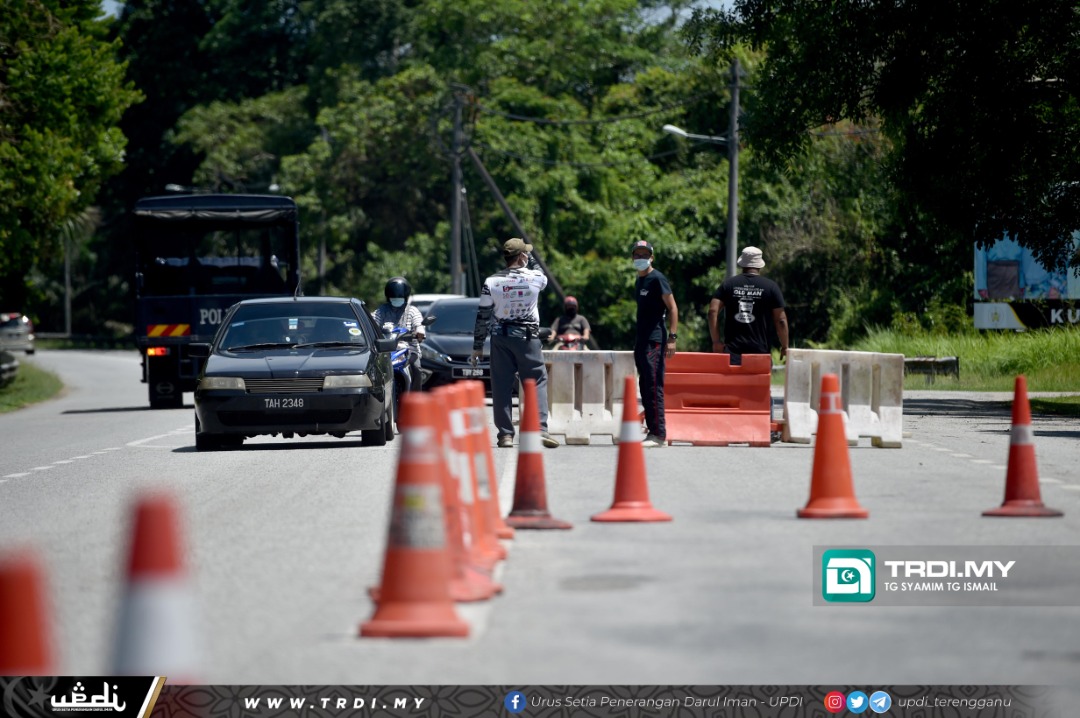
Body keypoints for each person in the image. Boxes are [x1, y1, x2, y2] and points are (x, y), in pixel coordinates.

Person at [470, 238, 560, 449]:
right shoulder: (536, 278)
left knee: (501, 385)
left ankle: (505, 435)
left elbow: (482, 316)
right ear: (522, 257)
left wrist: (477, 346)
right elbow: (543, 275)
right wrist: (535, 259)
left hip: (500, 338)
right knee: (536, 380)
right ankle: (540, 428)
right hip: (528, 338)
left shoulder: (491, 282)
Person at [708, 246, 789, 366]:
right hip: (760, 354)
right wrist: (784, 346)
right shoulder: (771, 287)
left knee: (733, 385)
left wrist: (716, 342)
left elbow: (712, 311)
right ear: (760, 265)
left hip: (732, 354)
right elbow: (781, 320)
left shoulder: (728, 285)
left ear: (742, 264)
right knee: (759, 384)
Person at [631, 240, 678, 448]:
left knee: (653, 385)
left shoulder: (657, 278)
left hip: (655, 340)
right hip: (641, 340)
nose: (641, 258)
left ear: (652, 257)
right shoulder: (639, 281)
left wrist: (672, 338)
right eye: (637, 255)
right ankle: (652, 431)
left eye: (645, 254)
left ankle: (659, 434)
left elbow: (673, 308)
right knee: (644, 386)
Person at [372, 277, 425, 392]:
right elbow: (373, 321)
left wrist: (419, 331)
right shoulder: (382, 310)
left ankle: (415, 400)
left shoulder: (412, 310)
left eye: (399, 298)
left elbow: (418, 322)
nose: (396, 300)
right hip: (387, 350)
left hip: (409, 350)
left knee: (416, 368)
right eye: (393, 298)